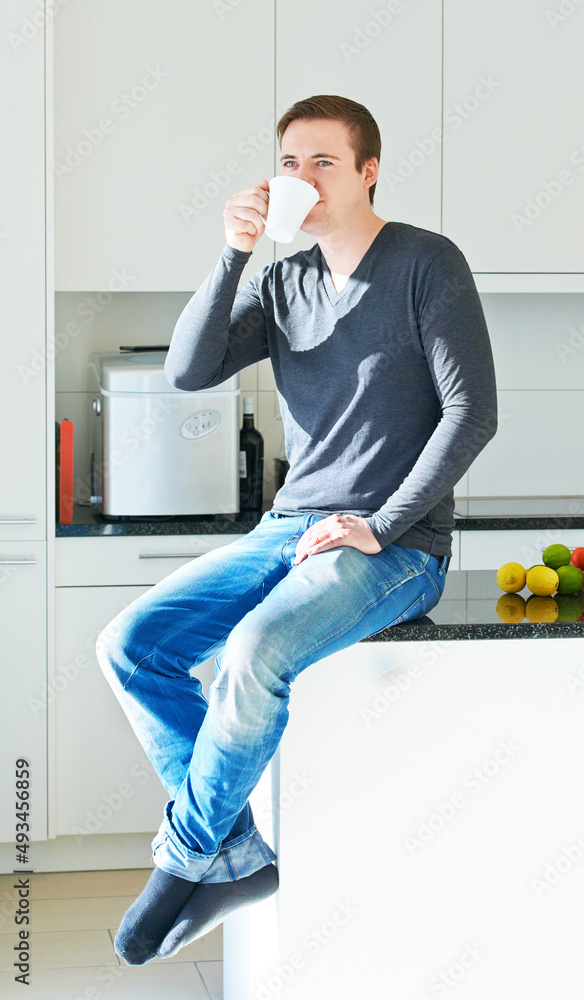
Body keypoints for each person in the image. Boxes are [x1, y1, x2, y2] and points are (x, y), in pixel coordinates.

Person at [97, 94, 497, 966]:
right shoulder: (284, 282)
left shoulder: (428, 264)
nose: (302, 179)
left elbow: (472, 413)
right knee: (131, 643)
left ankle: (182, 865)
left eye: (323, 162)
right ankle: (234, 853)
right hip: (288, 526)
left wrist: (383, 525)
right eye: (289, 163)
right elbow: (189, 368)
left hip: (396, 545)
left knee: (254, 652)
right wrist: (235, 252)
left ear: (368, 170)